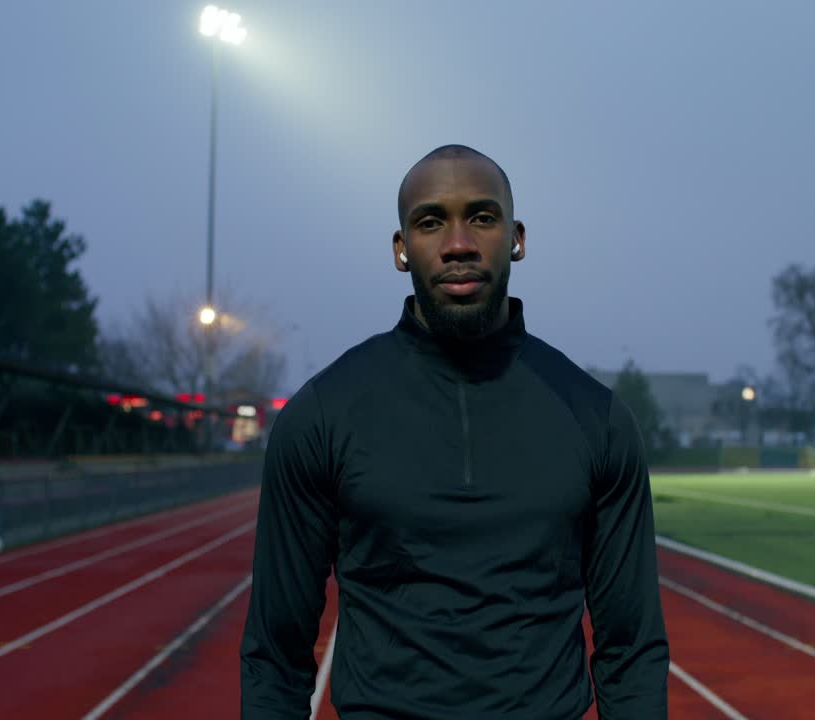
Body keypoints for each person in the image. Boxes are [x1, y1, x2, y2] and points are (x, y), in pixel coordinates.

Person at [240, 144, 669, 719]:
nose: (458, 243)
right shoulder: (322, 416)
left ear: (517, 238)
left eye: (482, 218)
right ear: (400, 249)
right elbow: (276, 652)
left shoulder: (597, 419)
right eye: (430, 222)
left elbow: (631, 648)